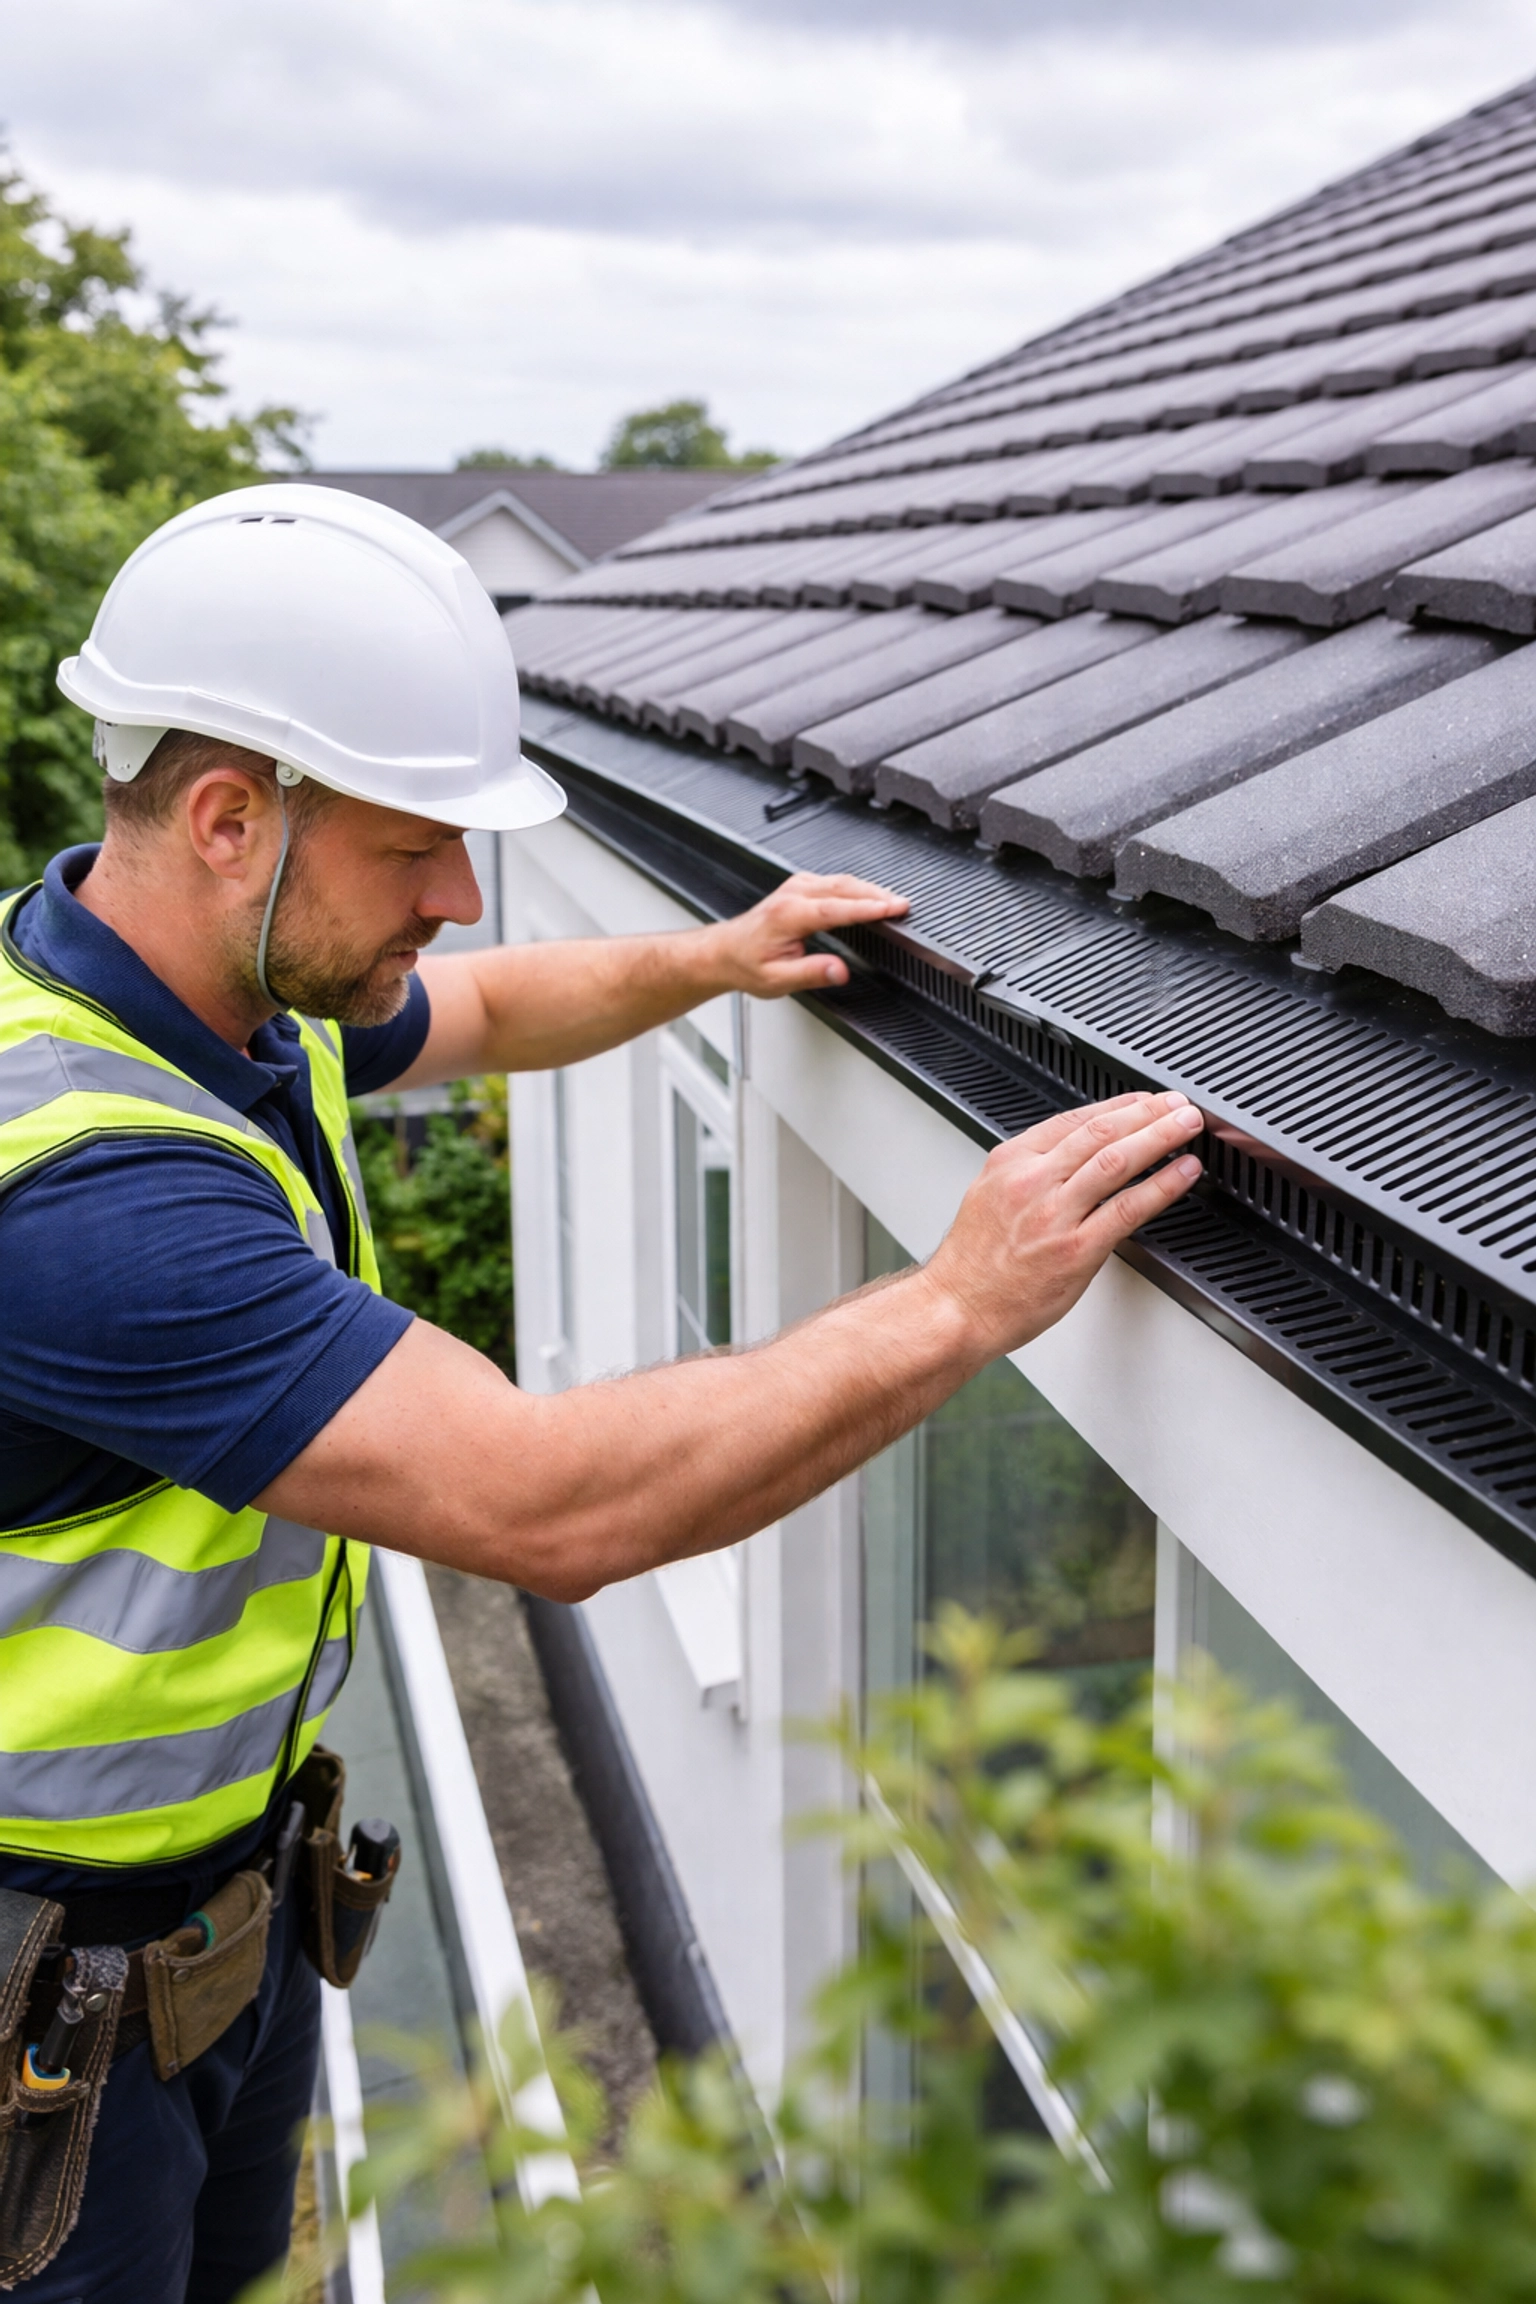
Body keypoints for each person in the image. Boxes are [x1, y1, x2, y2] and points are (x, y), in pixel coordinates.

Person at [0, 486, 1204, 2300]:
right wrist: (959, 1301)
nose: (457, 895)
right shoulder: (93, 1199)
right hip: (46, 1999)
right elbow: (546, 1503)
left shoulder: (220, 997)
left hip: (209, 1933)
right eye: (420, 846)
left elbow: (477, 1011)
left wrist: (715, 957)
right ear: (233, 817)